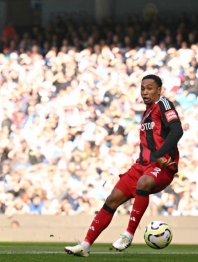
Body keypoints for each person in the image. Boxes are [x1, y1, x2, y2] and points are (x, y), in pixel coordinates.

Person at [65, 74, 183, 257]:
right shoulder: (147, 112)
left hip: (163, 166)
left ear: (159, 90)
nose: (145, 92)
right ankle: (85, 246)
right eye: (143, 88)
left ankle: (128, 234)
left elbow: (177, 130)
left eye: (150, 88)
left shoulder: (163, 104)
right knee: (112, 199)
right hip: (141, 166)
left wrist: (160, 155)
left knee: (144, 183)